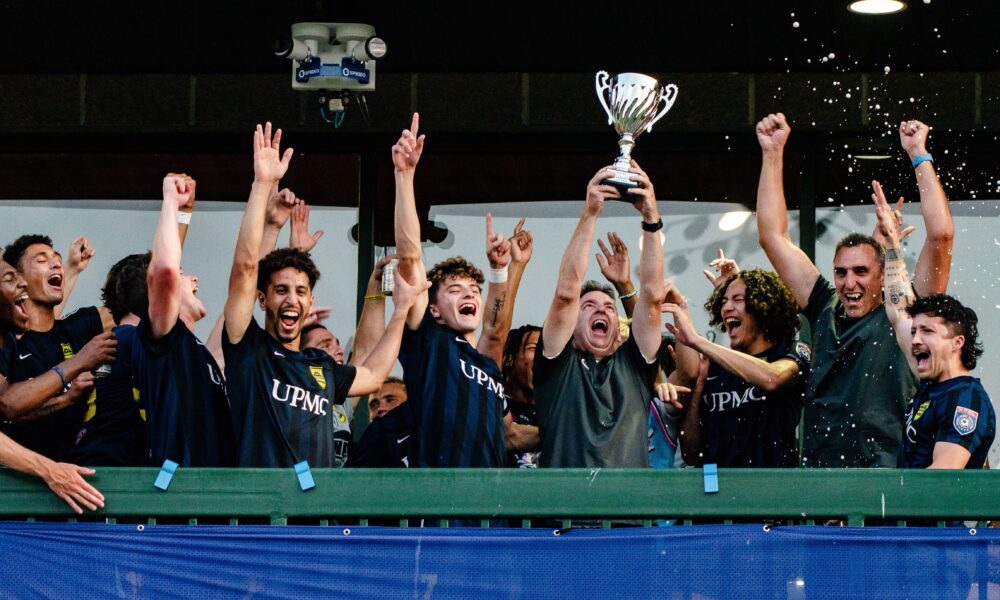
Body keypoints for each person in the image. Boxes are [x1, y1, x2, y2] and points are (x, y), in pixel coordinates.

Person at [755, 113, 954, 467]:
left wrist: (918, 155)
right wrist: (773, 154)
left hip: (888, 485)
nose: (849, 283)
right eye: (841, 272)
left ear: (883, 274)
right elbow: (773, 237)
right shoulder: (823, 304)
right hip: (822, 486)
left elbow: (940, 236)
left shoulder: (906, 312)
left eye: (861, 271)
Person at [223, 122, 423, 468]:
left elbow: (374, 374)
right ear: (262, 300)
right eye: (281, 290)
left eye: (301, 291)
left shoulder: (321, 367)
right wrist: (261, 185)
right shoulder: (249, 349)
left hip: (316, 519)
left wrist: (401, 309)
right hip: (261, 515)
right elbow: (244, 269)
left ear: (310, 303)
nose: (292, 299)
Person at [391, 113, 538, 468]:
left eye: (474, 289)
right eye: (455, 290)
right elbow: (411, 257)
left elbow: (511, 435)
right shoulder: (427, 341)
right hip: (442, 507)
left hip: (488, 515)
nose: (469, 295)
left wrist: (501, 269)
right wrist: (404, 177)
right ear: (434, 309)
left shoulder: (486, 366)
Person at [533, 162, 664, 468]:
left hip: (626, 515)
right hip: (562, 514)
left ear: (619, 327)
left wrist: (650, 217)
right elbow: (566, 294)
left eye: (609, 307)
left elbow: (653, 299)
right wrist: (590, 214)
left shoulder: (634, 366)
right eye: (588, 306)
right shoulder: (555, 366)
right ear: (571, 323)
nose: (602, 309)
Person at [876, 194, 994, 469]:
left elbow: (940, 480)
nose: (915, 339)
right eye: (914, 330)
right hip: (906, 512)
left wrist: (879, 503)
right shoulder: (933, 387)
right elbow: (897, 310)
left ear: (957, 342)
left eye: (927, 331)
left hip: (925, 513)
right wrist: (892, 246)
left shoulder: (966, 398)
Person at [664, 265, 810, 468]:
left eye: (737, 300)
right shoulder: (713, 367)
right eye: (723, 302)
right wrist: (698, 387)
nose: (726, 308)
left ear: (762, 306)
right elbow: (692, 454)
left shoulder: (789, 352)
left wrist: (698, 341)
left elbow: (772, 378)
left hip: (772, 490)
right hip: (716, 493)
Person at [0, 257, 105, 513]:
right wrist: (50, 470)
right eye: (9, 279)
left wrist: (64, 400)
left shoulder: (9, 343)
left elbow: (6, 408)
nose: (23, 283)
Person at [0, 235, 117, 460]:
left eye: (57, 259)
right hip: (17, 486)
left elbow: (139, 301)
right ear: (19, 280)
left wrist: (179, 215)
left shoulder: (75, 328)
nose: (56, 264)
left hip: (77, 480)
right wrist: (79, 363)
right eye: (42, 260)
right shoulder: (8, 340)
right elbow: (6, 405)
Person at [346, 377, 412, 468]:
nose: (380, 408)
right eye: (374, 405)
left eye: (390, 400)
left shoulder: (427, 438)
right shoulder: (364, 451)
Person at [503, 325, 541, 468]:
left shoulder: (556, 412)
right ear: (509, 359)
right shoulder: (495, 404)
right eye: (534, 348)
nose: (542, 356)